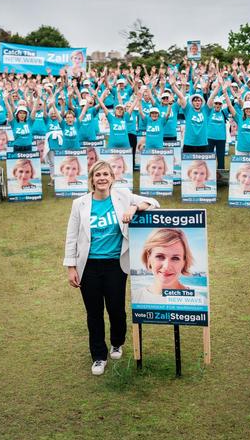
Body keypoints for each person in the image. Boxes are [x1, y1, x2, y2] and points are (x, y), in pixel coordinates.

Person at [64, 160, 159, 376]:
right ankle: (98, 356)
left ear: (112, 178)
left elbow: (153, 203)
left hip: (116, 264)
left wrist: (134, 207)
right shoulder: (80, 204)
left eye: (106, 174)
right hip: (88, 266)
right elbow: (71, 237)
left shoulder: (123, 196)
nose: (102, 178)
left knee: (116, 309)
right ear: (92, 180)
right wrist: (71, 267)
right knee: (94, 313)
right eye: (98, 175)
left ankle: (117, 342)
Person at [132, 229, 195, 305]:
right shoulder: (135, 298)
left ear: (184, 262)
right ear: (149, 258)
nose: (166, 266)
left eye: (175, 258)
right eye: (160, 256)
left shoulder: (200, 302)